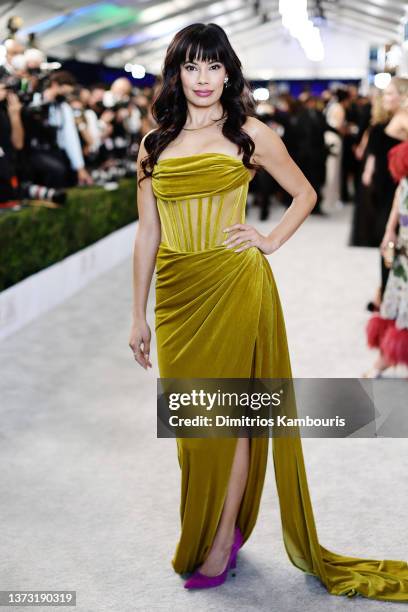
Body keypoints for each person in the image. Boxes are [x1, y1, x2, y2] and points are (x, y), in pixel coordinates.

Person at [129, 22, 408, 600]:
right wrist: (138, 313)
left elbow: (304, 194)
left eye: (213, 67)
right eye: (191, 67)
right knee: (191, 424)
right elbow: (147, 232)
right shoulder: (154, 142)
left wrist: (271, 240)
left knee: (227, 419)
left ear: (228, 72)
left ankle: (220, 539)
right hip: (178, 293)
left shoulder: (248, 132)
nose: (203, 79)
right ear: (176, 73)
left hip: (235, 284)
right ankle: (219, 527)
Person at [364, 140, 408, 377]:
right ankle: (388, 356)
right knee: (398, 299)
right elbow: (401, 192)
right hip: (404, 247)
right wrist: (390, 231)